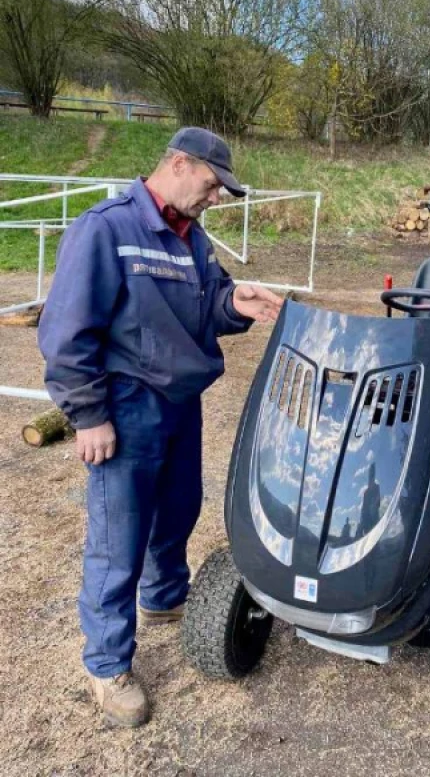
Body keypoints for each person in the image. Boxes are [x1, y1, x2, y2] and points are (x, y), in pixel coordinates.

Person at [38, 127, 283, 728]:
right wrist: (89, 415)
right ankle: (106, 665)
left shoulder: (191, 239)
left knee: (178, 510)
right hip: (124, 407)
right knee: (118, 539)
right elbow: (67, 331)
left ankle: (165, 598)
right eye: (212, 183)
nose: (217, 196)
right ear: (178, 164)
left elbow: (208, 305)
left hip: (178, 401)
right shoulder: (108, 228)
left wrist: (236, 302)